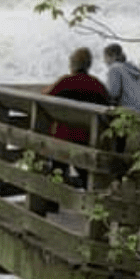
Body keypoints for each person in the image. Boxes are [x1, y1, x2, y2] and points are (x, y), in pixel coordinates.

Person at [42, 48, 110, 190]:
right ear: (89, 65)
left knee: (57, 165)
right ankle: (92, 194)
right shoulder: (98, 85)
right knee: (85, 171)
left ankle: (54, 197)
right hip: (90, 138)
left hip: (64, 137)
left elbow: (44, 98)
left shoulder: (66, 82)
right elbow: (108, 104)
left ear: (72, 64)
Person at [103, 43, 140, 114]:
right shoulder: (132, 68)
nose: (104, 61)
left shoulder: (115, 68)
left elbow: (113, 93)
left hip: (131, 113)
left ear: (111, 57)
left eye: (105, 57)